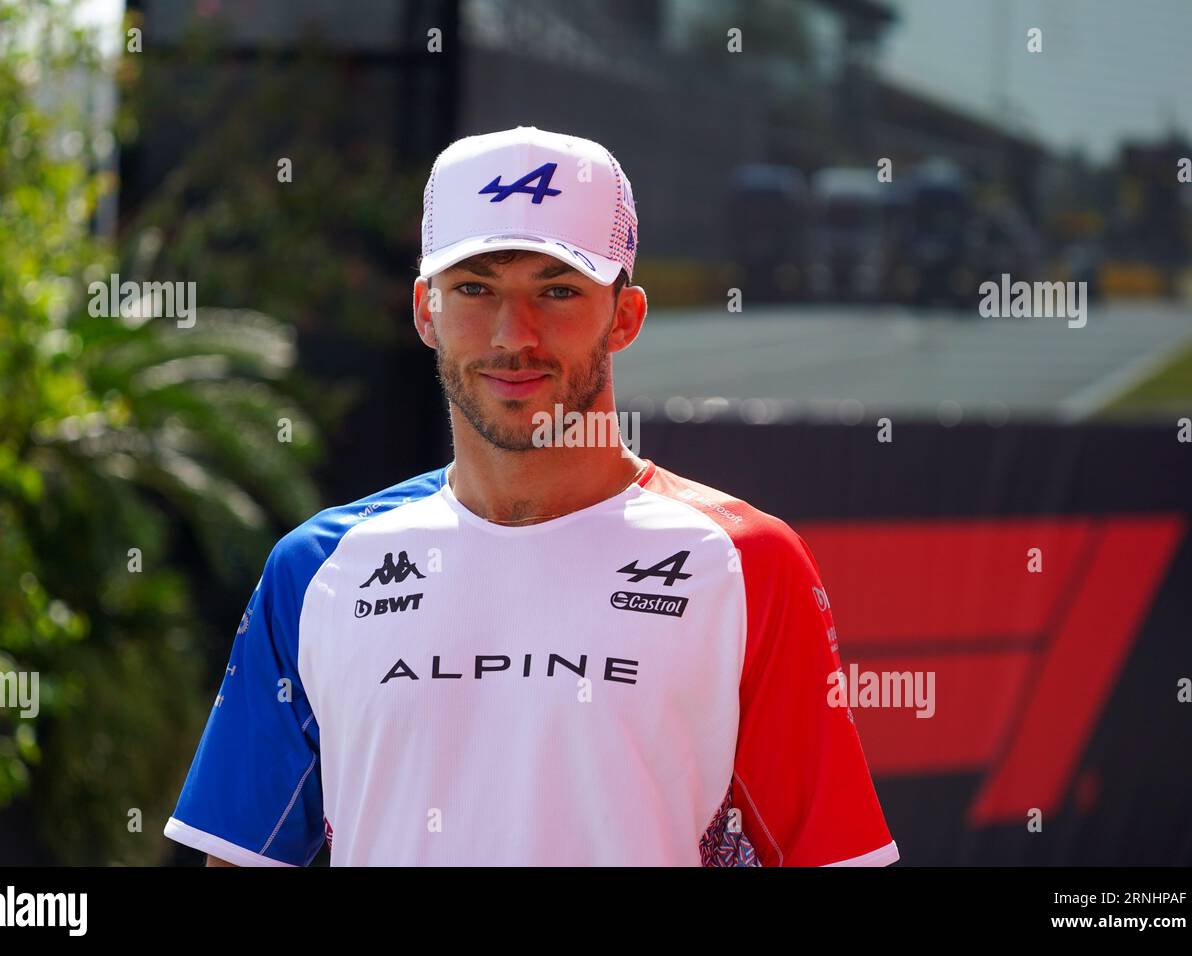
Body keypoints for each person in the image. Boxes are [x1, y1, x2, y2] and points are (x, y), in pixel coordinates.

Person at [164, 126, 898, 867]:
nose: (515, 334)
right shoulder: (317, 570)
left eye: (557, 290)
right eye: (477, 288)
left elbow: (832, 854)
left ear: (625, 316)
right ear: (426, 310)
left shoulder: (747, 565)